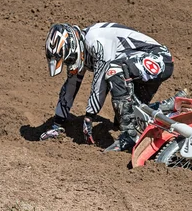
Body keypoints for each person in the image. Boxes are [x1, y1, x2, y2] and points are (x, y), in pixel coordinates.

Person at [39, 22, 184, 152]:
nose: (70, 63)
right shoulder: (82, 48)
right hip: (137, 66)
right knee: (126, 116)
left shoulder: (94, 40)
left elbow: (100, 81)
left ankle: (129, 135)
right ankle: (168, 108)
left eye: (69, 59)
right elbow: (70, 86)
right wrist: (57, 124)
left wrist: (90, 116)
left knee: (113, 70)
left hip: (158, 58)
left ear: (73, 45)